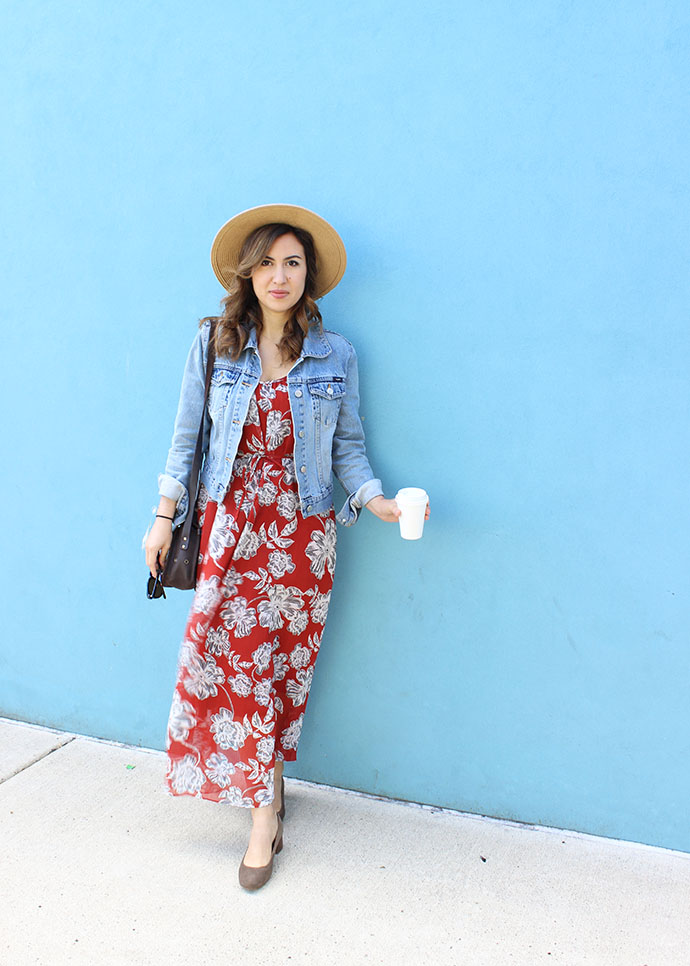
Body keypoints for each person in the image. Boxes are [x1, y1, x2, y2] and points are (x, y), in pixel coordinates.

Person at [144, 204, 429, 890]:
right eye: (268, 262)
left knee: (274, 679)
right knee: (225, 669)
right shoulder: (214, 342)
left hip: (302, 543)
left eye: (293, 263)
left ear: (310, 276)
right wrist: (161, 516)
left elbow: (348, 451)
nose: (280, 275)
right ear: (248, 273)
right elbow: (186, 441)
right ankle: (263, 803)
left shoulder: (337, 355)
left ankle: (264, 816)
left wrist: (376, 502)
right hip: (231, 535)